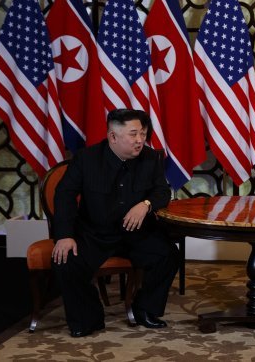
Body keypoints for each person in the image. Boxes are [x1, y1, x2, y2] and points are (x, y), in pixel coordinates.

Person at [52, 108, 179, 337]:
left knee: (168, 255)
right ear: (113, 136)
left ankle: (145, 310)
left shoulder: (151, 158)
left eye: (143, 133)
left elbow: (162, 191)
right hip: (95, 233)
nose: (140, 140)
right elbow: (64, 195)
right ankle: (88, 318)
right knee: (66, 260)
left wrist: (146, 204)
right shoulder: (86, 158)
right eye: (133, 134)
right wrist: (65, 235)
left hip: (135, 233)